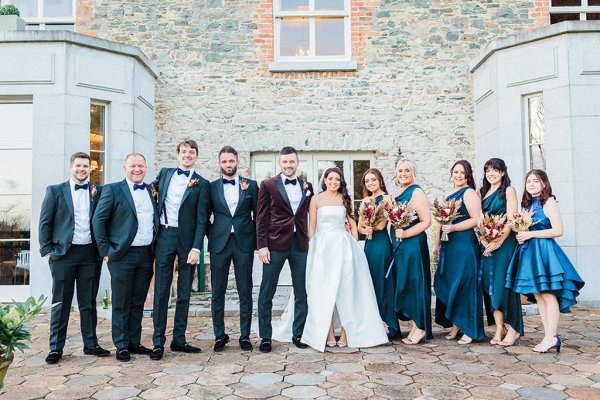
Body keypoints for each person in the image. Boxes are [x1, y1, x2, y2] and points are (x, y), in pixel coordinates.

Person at [274, 167, 388, 351]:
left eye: (337, 179)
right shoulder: (316, 199)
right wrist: (310, 249)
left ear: (340, 182)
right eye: (331, 179)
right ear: (325, 180)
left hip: (343, 247)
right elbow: (312, 227)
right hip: (322, 248)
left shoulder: (344, 199)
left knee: (347, 289)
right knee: (323, 290)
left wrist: (353, 243)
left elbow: (352, 224)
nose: (334, 182)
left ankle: (345, 333)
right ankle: (327, 334)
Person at [39, 152, 109, 364]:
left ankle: (91, 344)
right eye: (78, 165)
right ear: (71, 167)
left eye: (86, 166)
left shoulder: (99, 191)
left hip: (90, 253)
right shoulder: (55, 191)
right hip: (63, 254)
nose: (82, 169)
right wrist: (47, 250)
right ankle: (55, 348)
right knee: (61, 301)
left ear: (90, 169)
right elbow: (45, 222)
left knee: (88, 302)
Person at [506, 169, 584, 353]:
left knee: (548, 294)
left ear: (544, 184)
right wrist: (521, 235)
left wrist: (530, 234)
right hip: (531, 253)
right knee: (539, 296)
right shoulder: (528, 205)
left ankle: (551, 336)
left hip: (545, 252)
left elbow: (558, 230)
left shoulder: (548, 202)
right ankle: (548, 336)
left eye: (536, 181)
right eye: (528, 181)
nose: (531, 184)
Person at [92, 153, 158, 362]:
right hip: (121, 255)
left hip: (146, 253)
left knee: (138, 301)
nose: (137, 169)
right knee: (121, 301)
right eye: (133, 166)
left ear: (145, 168)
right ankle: (121, 345)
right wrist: (105, 251)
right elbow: (98, 221)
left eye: (141, 166)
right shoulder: (112, 190)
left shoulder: (150, 190)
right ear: (125, 168)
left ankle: (134, 342)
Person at [150, 140, 209, 360]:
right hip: (165, 236)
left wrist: (197, 247)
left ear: (196, 156)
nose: (187, 155)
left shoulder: (202, 183)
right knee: (162, 291)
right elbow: (149, 192)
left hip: (187, 240)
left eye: (191, 152)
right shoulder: (164, 174)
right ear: (177, 154)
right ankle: (158, 342)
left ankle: (179, 339)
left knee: (184, 291)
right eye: (183, 152)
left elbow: (202, 219)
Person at [256, 146, 313, 353]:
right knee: (267, 291)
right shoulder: (268, 184)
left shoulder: (307, 186)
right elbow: (261, 217)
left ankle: (299, 333)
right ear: (280, 163)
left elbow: (309, 213)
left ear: (297, 163)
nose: (288, 165)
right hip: (275, 244)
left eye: (292, 162)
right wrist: (262, 245)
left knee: (301, 291)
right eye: (285, 162)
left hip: (300, 244)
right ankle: (265, 336)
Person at [208, 146, 258, 352]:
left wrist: (254, 238)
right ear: (220, 164)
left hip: (243, 242)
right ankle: (219, 335)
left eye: (231, 161)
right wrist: (212, 234)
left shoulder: (252, 186)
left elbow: (259, 216)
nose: (228, 165)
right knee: (217, 291)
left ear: (237, 161)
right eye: (224, 162)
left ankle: (245, 335)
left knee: (245, 290)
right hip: (219, 243)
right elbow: (204, 216)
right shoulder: (211, 187)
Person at [433, 160, 485, 345]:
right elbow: (441, 221)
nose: (458, 175)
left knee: (465, 286)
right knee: (451, 284)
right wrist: (438, 243)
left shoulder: (469, 193)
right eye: (456, 172)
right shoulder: (448, 194)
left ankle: (470, 329)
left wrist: (454, 228)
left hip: (464, 245)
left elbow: (477, 220)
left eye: (462, 172)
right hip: (449, 246)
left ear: (468, 175)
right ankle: (456, 325)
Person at [478, 158, 523, 346]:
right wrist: (483, 238)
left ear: (503, 173)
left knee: (503, 285)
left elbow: (512, 220)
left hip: (504, 244)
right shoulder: (481, 193)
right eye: (488, 170)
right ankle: (499, 327)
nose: (491, 173)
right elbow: (479, 221)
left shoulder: (509, 191)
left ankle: (514, 329)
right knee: (489, 286)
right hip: (487, 243)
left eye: (495, 170)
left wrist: (498, 241)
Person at [390, 160, 432, 345]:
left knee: (415, 283)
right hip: (400, 246)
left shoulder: (416, 191)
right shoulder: (397, 193)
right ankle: (415, 325)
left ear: (413, 172)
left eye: (407, 170)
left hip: (413, 244)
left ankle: (420, 326)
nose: (403, 173)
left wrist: (406, 233)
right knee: (405, 284)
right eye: (400, 171)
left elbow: (426, 221)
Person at [357, 168, 399, 339]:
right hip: (369, 245)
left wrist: (370, 227)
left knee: (383, 282)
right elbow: (359, 225)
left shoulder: (387, 199)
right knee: (370, 282)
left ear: (380, 180)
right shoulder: (366, 200)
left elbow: (382, 225)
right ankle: (373, 323)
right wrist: (364, 228)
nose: (371, 183)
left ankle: (387, 323)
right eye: (367, 181)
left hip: (381, 244)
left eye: (373, 179)